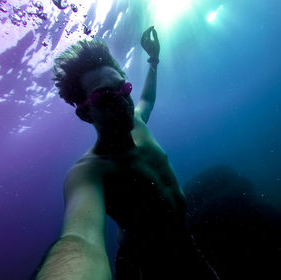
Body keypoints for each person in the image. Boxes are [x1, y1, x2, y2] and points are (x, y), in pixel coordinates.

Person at [35, 26, 218, 280]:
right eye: (105, 97)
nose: (123, 102)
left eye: (123, 89)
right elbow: (79, 239)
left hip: (185, 244)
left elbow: (147, 100)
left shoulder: (138, 123)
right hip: (148, 264)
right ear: (85, 113)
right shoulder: (89, 173)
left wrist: (153, 59)